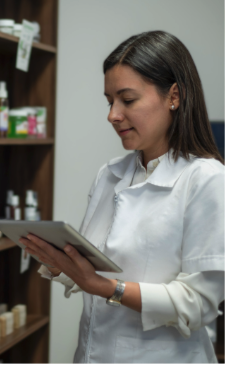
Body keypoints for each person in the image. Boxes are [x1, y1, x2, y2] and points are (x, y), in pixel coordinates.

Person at [20, 31, 224, 363]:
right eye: (109, 101)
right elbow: (96, 267)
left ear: (174, 96)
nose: (112, 115)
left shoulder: (206, 179)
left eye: (127, 100)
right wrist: (62, 263)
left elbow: (197, 304)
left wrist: (103, 287)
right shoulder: (110, 174)